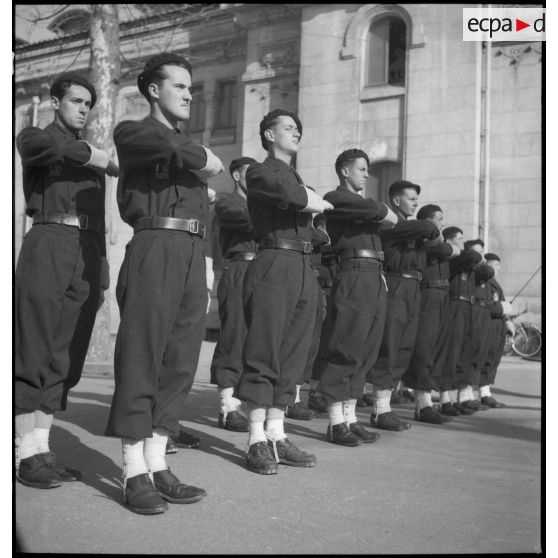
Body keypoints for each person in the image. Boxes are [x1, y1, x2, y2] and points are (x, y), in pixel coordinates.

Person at [105, 53, 224, 515]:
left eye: (191, 87)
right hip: (154, 243)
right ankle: (133, 470)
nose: (190, 93)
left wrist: (207, 262)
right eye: (180, 86)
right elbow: (179, 152)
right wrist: (202, 157)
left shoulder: (183, 147)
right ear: (154, 90)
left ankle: (158, 462)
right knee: (142, 352)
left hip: (193, 253)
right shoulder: (133, 131)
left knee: (180, 359)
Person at [15, 72, 117, 488]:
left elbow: (103, 212)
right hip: (49, 240)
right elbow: (45, 147)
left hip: (87, 247)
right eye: (76, 100)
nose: (83, 108)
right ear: (55, 101)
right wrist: (92, 154)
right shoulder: (36, 137)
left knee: (66, 352)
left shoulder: (87, 155)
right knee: (35, 345)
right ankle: (24, 453)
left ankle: (42, 446)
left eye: (88, 103)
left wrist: (104, 266)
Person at [236, 109, 332, 474]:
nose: (296, 133)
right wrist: (311, 199)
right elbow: (283, 193)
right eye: (289, 128)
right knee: (265, 348)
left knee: (293, 353)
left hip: (303, 266)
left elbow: (315, 224)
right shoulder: (260, 171)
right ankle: (256, 439)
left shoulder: (295, 178)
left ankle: (276, 433)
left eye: (299, 129)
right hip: (274, 260)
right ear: (269, 135)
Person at [315, 148, 397, 445]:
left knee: (366, 350)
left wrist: (382, 212)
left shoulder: (360, 204)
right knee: (347, 345)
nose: (367, 174)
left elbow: (389, 219)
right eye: (361, 169)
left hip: (374, 273)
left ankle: (350, 417)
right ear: (345, 171)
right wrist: (382, 210)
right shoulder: (336, 198)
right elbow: (383, 214)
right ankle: (336, 421)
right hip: (353, 272)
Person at [365, 181, 441, 431]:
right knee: (390, 344)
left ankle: (385, 406)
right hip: (396, 285)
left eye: (417, 200)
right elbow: (429, 228)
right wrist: (429, 227)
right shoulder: (391, 222)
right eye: (411, 199)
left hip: (413, 288)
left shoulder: (412, 228)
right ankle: (380, 409)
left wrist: (430, 229)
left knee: (405, 346)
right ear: (396, 200)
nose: (415, 204)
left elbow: (440, 243)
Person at [209, 156, 257, 432]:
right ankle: (227, 406)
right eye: (251, 174)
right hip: (239, 267)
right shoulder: (228, 201)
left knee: (256, 339)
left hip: (262, 270)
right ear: (237, 175)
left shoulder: (259, 206)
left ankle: (245, 399)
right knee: (234, 336)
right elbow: (244, 220)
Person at [401, 204, 460, 424]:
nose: (442, 223)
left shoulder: (437, 240)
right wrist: (449, 247)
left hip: (442, 295)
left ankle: (430, 400)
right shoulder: (424, 238)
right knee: (424, 348)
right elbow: (447, 250)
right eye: (439, 219)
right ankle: (422, 403)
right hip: (427, 293)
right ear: (427, 221)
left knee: (437, 348)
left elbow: (454, 251)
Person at [285, 220, 330, 421]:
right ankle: (289, 399)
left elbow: (324, 238)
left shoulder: (311, 231)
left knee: (310, 346)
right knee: (296, 344)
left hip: (314, 283)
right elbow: (321, 238)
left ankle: (294, 397)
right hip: (297, 279)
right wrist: (318, 233)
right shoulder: (302, 229)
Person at [436, 229, 482, 416]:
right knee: (451, 352)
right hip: (454, 305)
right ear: (449, 240)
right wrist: (473, 254)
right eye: (460, 239)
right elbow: (471, 255)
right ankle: (444, 398)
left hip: (468, 308)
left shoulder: (467, 262)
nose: (463, 243)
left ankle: (458, 396)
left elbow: (486, 269)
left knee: (465, 351)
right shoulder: (454, 258)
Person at [453, 239, 495, 411]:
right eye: (476, 252)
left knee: (478, 353)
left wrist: (480, 259)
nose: (481, 255)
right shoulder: (468, 266)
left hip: (481, 312)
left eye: (482, 252)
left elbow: (489, 271)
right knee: (467, 353)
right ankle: (462, 396)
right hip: (472, 310)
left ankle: (469, 394)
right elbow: (485, 270)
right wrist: (476, 258)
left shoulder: (480, 266)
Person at [479, 253, 514, 407]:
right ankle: (483, 393)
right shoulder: (485, 281)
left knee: (494, 359)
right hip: (489, 325)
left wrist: (507, 321)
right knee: (488, 358)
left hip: (498, 325)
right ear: (487, 264)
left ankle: (485, 391)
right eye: (496, 264)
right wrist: (502, 308)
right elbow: (487, 305)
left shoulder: (494, 281)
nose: (498, 267)